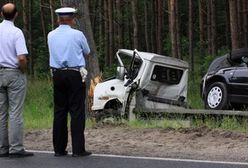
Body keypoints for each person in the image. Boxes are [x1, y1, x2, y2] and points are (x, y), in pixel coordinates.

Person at [48, 7, 91, 157]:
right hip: (74, 73)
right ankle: (78, 149)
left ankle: (59, 149)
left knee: (60, 111)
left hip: (57, 74)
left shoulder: (51, 35)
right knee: (76, 111)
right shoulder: (78, 34)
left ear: (58, 19)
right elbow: (87, 51)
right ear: (72, 19)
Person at [0, 3, 34, 158]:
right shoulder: (16, 32)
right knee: (15, 112)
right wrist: (23, 70)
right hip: (14, 73)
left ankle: (2, 148)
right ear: (16, 15)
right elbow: (21, 57)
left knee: (1, 113)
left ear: (1, 14)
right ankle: (16, 148)